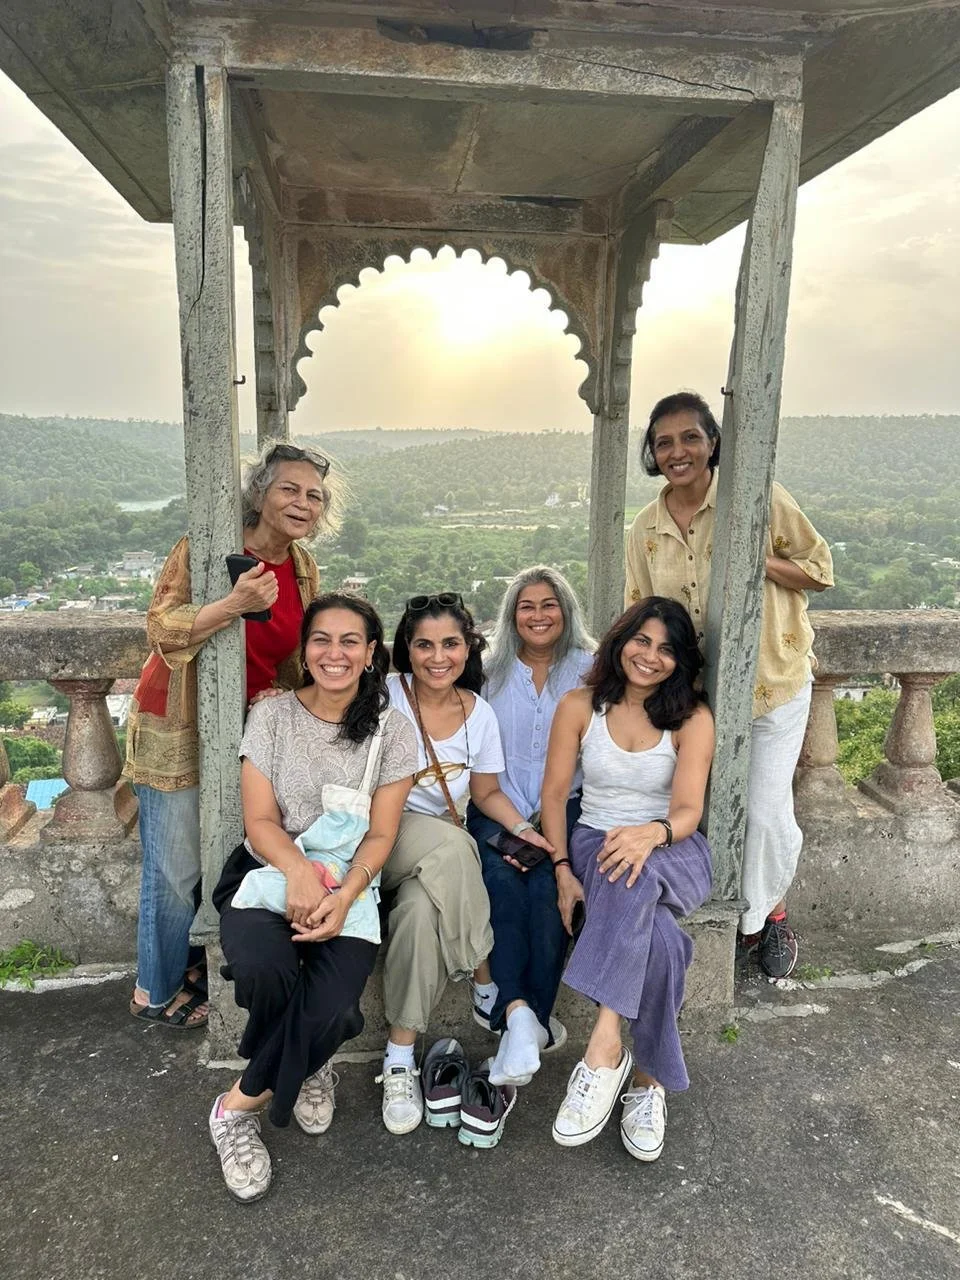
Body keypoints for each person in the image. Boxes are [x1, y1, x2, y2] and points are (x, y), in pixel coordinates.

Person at [208, 593, 418, 1202]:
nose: (335, 652)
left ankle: (235, 1105)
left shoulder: (391, 730)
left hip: (350, 881)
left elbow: (381, 833)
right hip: (269, 869)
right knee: (262, 967)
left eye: (351, 640)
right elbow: (260, 819)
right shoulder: (273, 718)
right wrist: (299, 873)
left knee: (328, 1007)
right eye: (322, 639)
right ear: (305, 649)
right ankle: (310, 1059)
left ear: (371, 652)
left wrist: (345, 891)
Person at [125, 441, 340, 1027]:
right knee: (173, 869)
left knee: (224, 856)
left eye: (314, 496)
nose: (303, 503)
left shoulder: (301, 567)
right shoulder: (208, 547)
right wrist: (232, 604)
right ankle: (154, 990)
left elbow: (298, 656)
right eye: (289, 489)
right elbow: (160, 628)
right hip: (177, 721)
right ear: (260, 493)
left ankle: (189, 962)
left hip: (245, 731)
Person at [625, 391, 833, 978]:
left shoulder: (757, 502)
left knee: (765, 813)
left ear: (713, 442)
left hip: (772, 682)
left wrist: (754, 558)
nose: (677, 451)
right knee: (701, 808)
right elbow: (638, 610)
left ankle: (767, 916)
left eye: (690, 437)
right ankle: (720, 913)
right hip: (692, 697)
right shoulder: (646, 528)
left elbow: (820, 571)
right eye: (664, 442)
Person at [540, 597, 715, 1161]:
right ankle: (648, 1083)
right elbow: (553, 797)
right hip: (598, 843)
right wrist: (564, 869)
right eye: (641, 640)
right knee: (663, 940)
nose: (650, 656)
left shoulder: (691, 716)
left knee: (631, 866)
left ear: (680, 661)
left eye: (666, 649)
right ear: (620, 641)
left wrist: (652, 833)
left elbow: (688, 811)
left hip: (673, 847)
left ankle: (604, 1046)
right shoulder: (579, 706)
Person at [377, 592, 553, 1135]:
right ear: (406, 649)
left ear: (468, 647)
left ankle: (400, 1057)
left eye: (450, 643)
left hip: (433, 864)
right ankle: (487, 981)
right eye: (424, 644)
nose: (437, 656)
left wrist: (526, 830)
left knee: (416, 917)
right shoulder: (385, 696)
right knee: (458, 848)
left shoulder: (479, 713)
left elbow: (485, 792)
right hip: (380, 840)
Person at [466, 566, 595, 1088]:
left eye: (549, 604)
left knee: (549, 890)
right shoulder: (487, 671)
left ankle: (526, 1020)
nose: (538, 616)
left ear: (566, 611)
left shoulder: (592, 669)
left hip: (567, 811)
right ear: (511, 615)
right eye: (526, 606)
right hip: (498, 807)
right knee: (499, 885)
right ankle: (524, 1016)